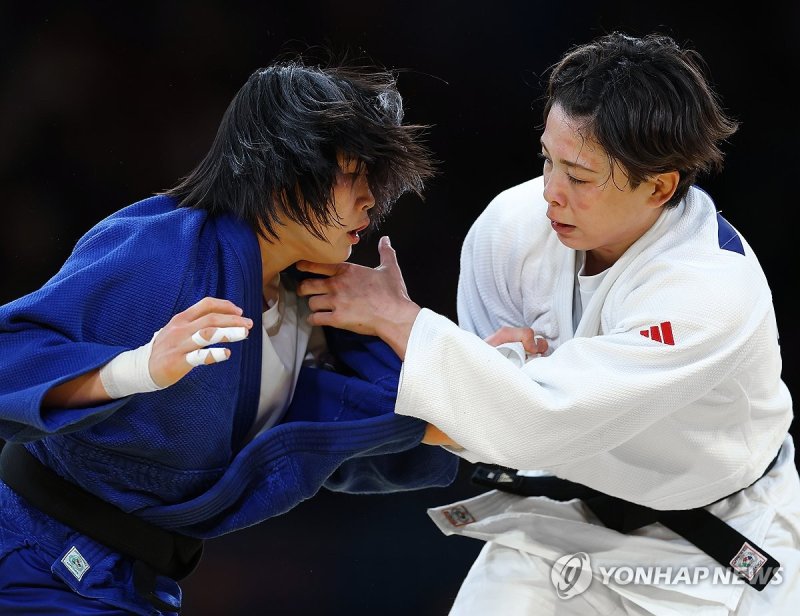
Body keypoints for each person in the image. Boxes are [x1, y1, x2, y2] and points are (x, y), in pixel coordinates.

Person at [295, 32, 800, 614]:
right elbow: (494, 426)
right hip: (562, 518)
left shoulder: (709, 291)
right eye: (547, 160)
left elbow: (537, 420)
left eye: (580, 178)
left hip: (713, 544)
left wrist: (401, 320)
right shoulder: (510, 228)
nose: (551, 194)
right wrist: (497, 378)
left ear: (659, 186)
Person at [0, 57, 458, 614]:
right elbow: (9, 356)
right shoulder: (166, 251)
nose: (370, 199)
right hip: (35, 551)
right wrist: (136, 369)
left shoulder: (318, 304)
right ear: (286, 169)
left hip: (137, 582)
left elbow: (373, 430)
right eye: (354, 173)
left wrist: (471, 360)